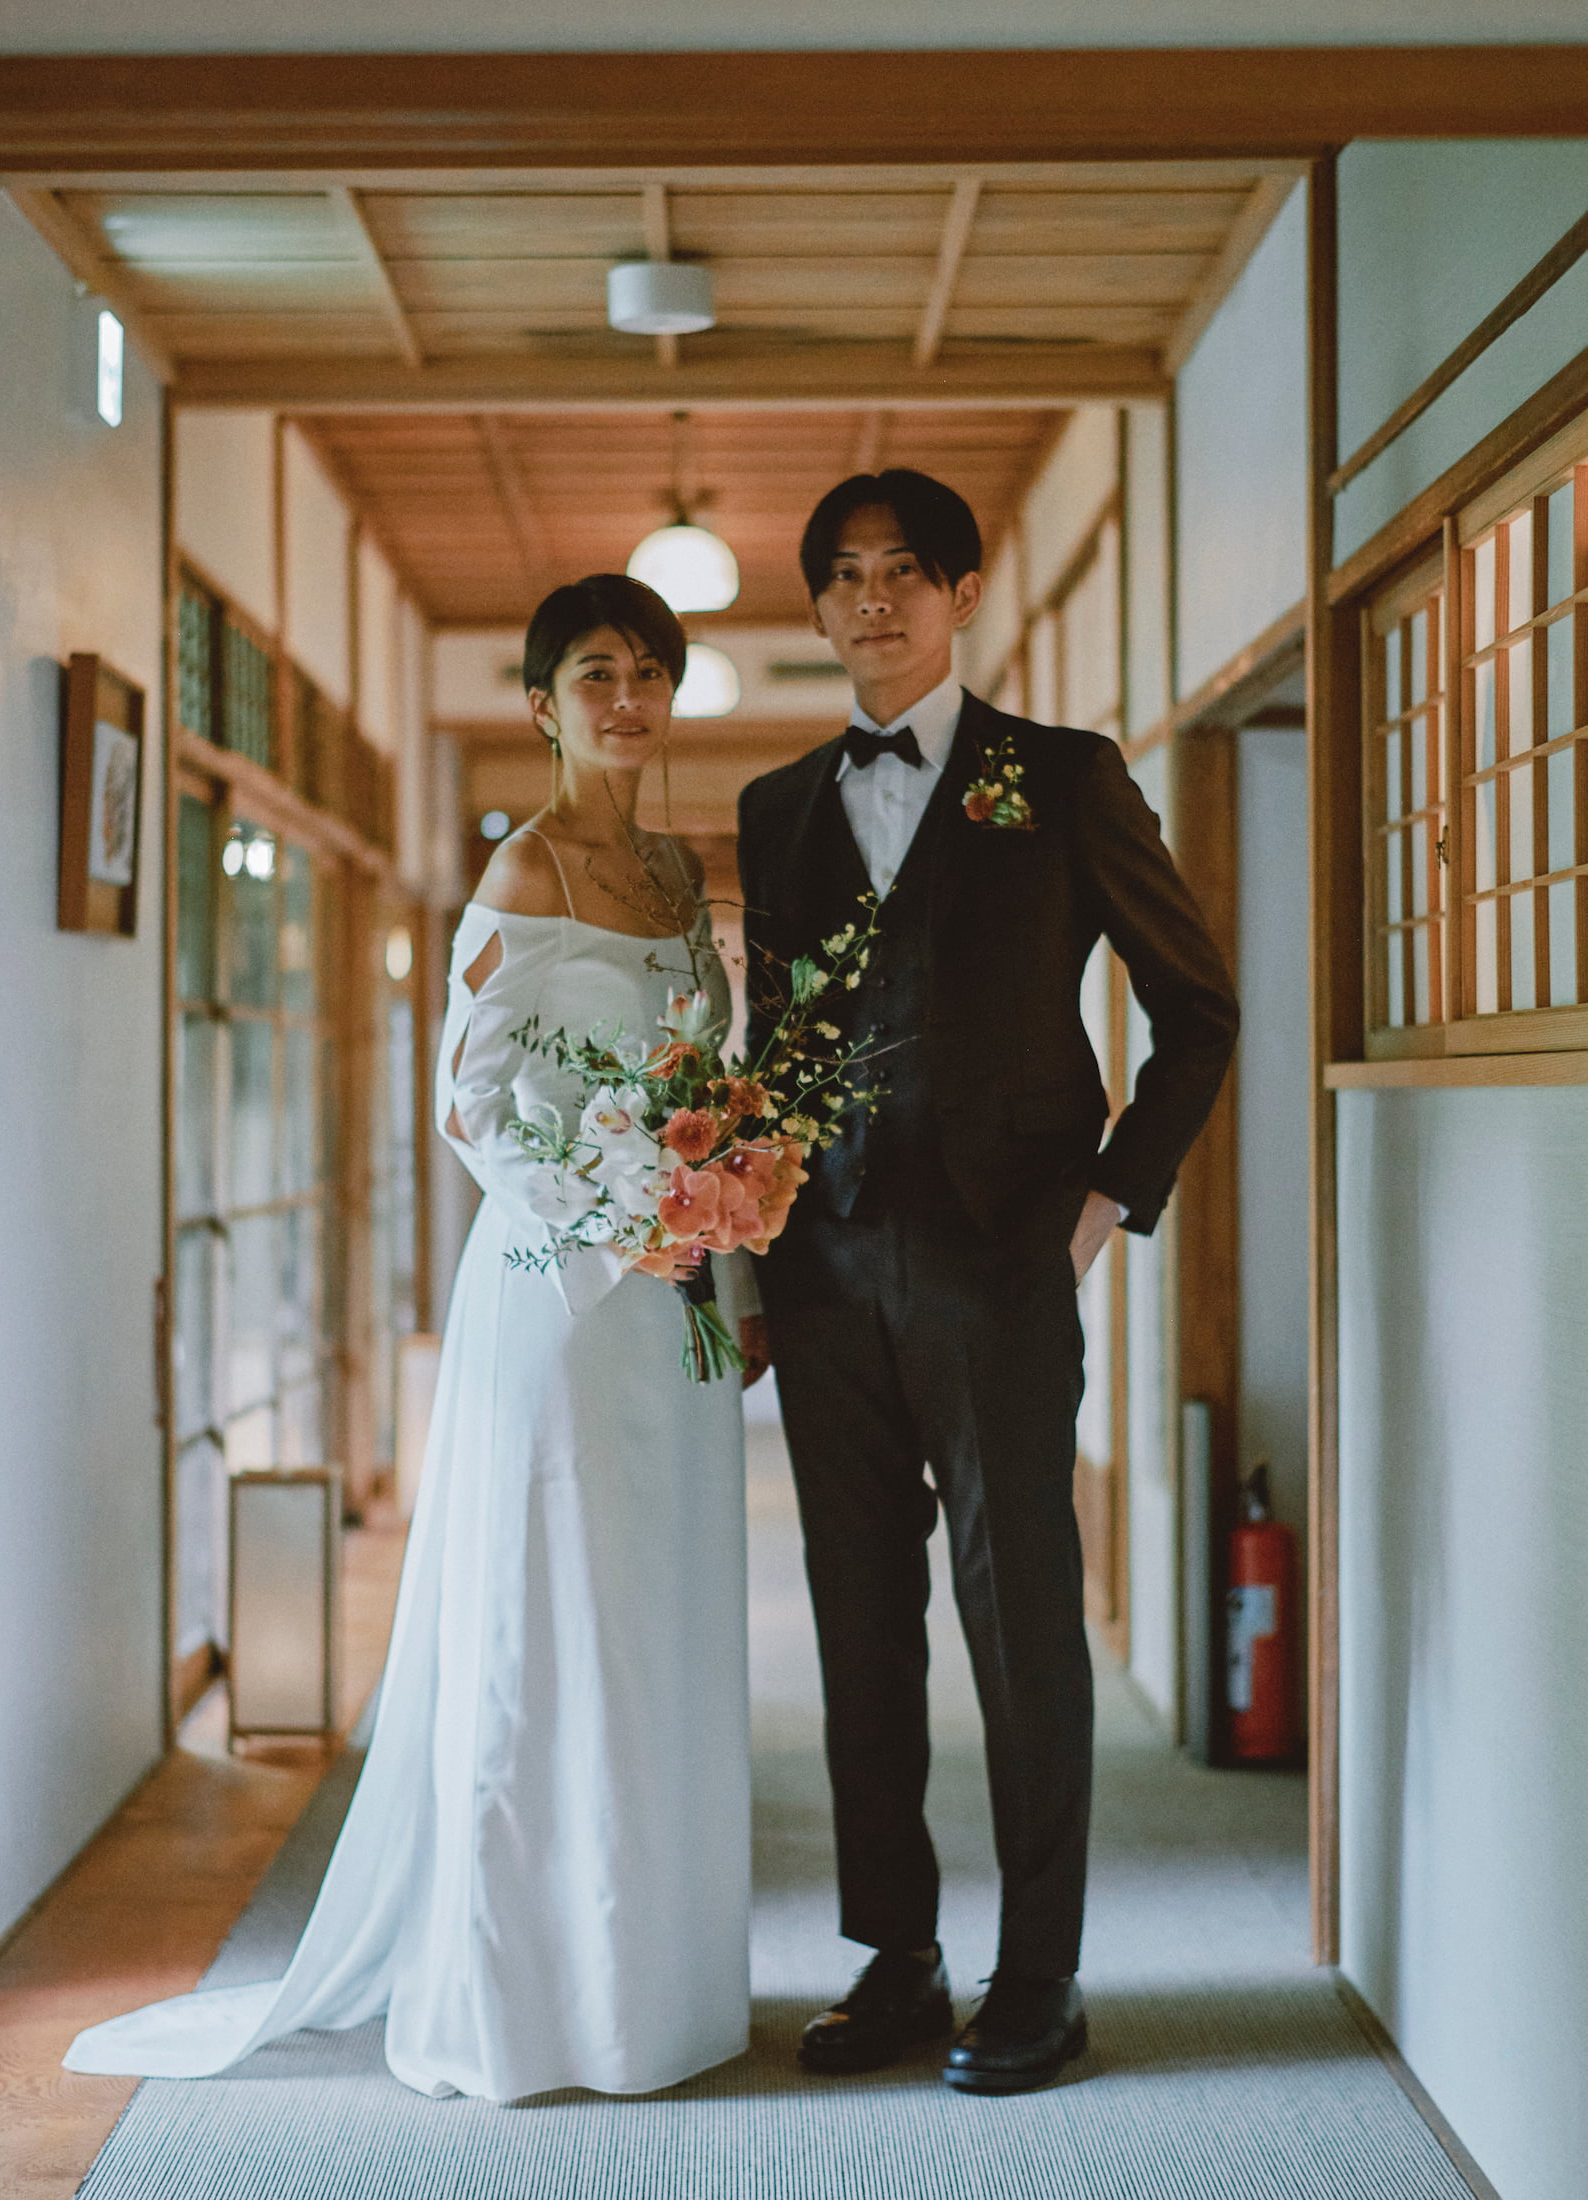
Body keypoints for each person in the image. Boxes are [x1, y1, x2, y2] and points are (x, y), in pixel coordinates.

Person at [66, 574, 766, 2103]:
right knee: (550, 1612)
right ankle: (525, 2001)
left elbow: (710, 1086)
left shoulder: (669, 869)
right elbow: (471, 1101)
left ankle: (658, 1989)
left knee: (658, 1625)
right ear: (541, 704)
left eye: (651, 671)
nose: (627, 699)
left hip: (676, 1309)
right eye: (596, 673)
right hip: (558, 1293)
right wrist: (616, 1209)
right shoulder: (519, 872)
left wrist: (722, 1243)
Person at [738, 471, 1238, 2096]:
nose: (871, 599)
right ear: (815, 610)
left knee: (1019, 1620)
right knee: (857, 1621)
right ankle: (896, 1960)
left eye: (903, 572)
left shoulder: (1065, 778)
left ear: (959, 595)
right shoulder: (778, 808)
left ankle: (1041, 1976)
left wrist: (1103, 1206)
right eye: (843, 577)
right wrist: (746, 1251)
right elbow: (773, 1048)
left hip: (1004, 1260)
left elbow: (1197, 1011)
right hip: (822, 1266)